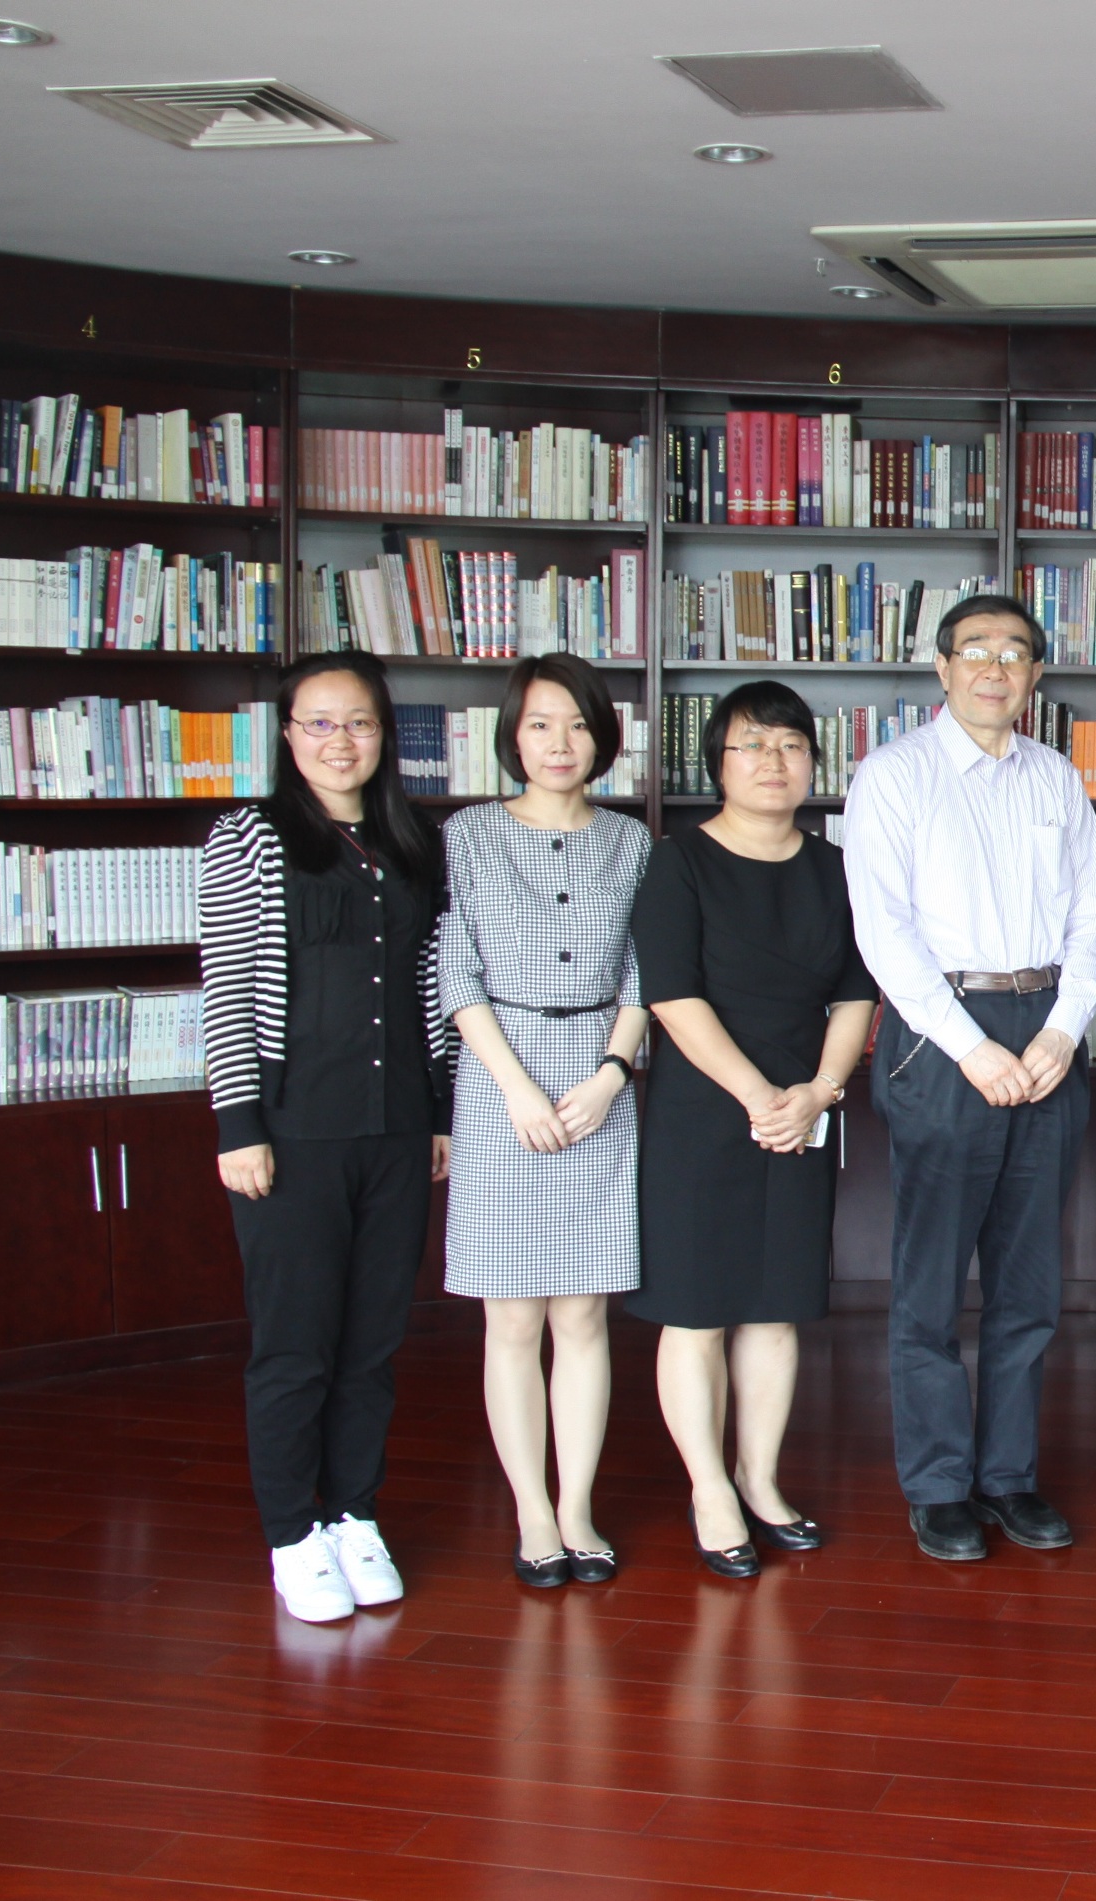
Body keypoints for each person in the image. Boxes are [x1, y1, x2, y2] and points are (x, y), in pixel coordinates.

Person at [843, 594, 1096, 1564]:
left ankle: (1008, 1475)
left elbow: (1091, 917)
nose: (997, 668)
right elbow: (885, 933)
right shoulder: (894, 775)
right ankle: (940, 1482)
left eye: (1017, 654)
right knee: (929, 1285)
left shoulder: (1057, 779)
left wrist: (1063, 1029)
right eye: (978, 652)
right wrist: (971, 1045)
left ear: (1037, 675)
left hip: (1045, 1029)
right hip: (940, 1032)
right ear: (943, 668)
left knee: (1027, 1281)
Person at [200, 651, 452, 1625]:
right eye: (319, 723)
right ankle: (290, 1532)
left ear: (383, 735)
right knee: (296, 1343)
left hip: (394, 1132)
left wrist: (435, 1113)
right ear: (288, 734)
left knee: (372, 1341)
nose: (340, 741)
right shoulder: (253, 837)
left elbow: (428, 989)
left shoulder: (408, 839)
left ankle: (353, 1512)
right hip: (291, 1129)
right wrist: (237, 1123)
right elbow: (228, 983)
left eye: (359, 723)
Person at [629, 680, 876, 1579]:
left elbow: (857, 989)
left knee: (776, 1310)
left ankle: (761, 1479)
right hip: (705, 1109)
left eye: (790, 744)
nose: (774, 761)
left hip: (805, 1106)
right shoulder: (677, 861)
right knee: (695, 1313)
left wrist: (816, 1090)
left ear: (814, 760)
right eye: (751, 745)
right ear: (718, 765)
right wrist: (756, 1094)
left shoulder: (837, 866)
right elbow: (671, 993)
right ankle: (709, 1487)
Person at [438, 653, 651, 1589]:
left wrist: (613, 1073)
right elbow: (453, 972)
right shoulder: (467, 835)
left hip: (600, 1083)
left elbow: (649, 976)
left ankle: (578, 1508)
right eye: (538, 724)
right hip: (500, 1085)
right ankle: (530, 1509)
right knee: (512, 1320)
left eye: (575, 724)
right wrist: (515, 1088)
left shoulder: (631, 841)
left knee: (585, 1316)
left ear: (603, 736)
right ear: (512, 736)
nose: (559, 743)